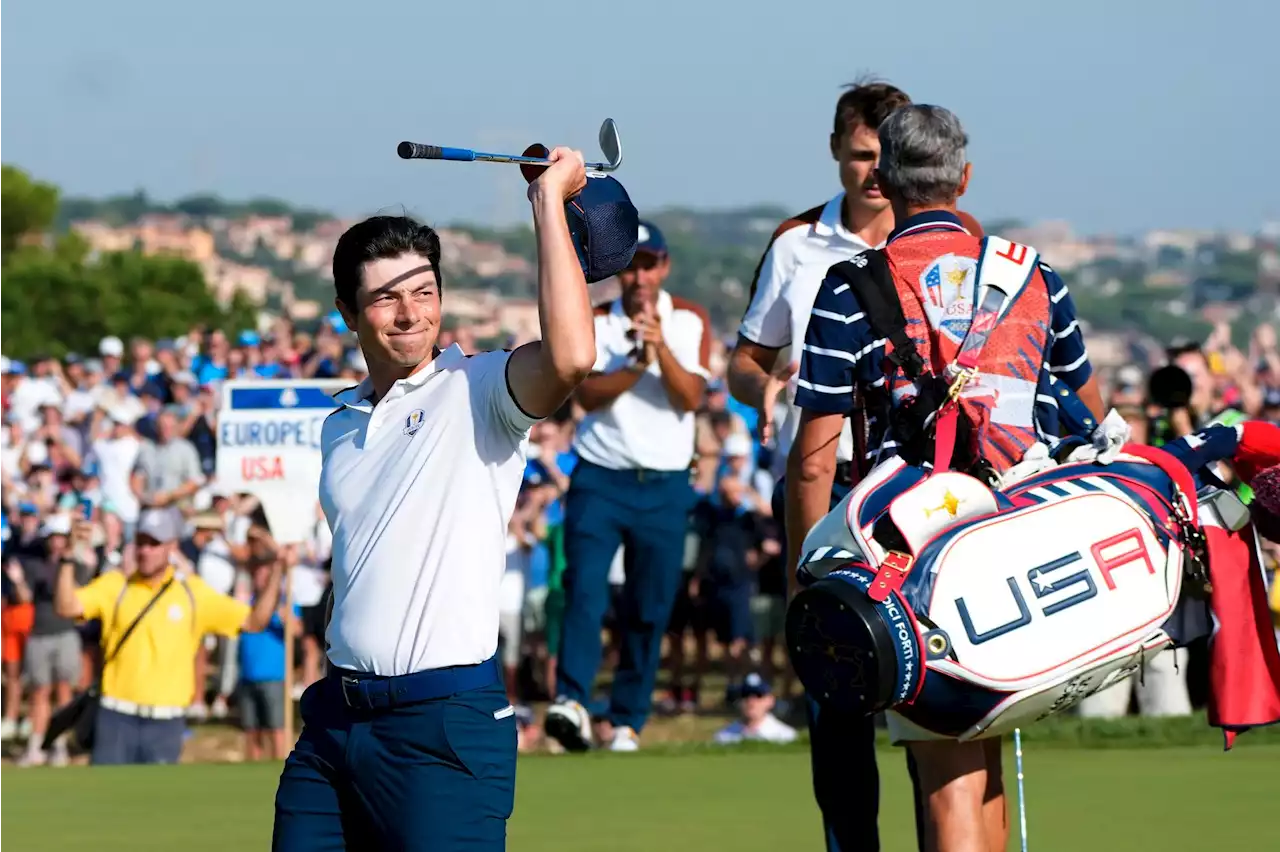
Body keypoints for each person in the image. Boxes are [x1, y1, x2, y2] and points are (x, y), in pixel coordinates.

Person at [271, 147, 608, 852]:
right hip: (335, 721)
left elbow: (572, 355)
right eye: (387, 297)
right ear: (347, 313)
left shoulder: (478, 389)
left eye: (423, 292)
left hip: (442, 722)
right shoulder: (339, 425)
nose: (409, 314)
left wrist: (548, 203)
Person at [791, 103, 1104, 852]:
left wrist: (810, 584)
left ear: (886, 183)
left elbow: (813, 459)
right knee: (983, 768)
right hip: (1025, 545)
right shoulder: (1037, 277)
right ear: (964, 178)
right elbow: (1090, 415)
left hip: (917, 557)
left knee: (952, 779)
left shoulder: (848, 287)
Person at [726, 79, 980, 852]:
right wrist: (766, 383)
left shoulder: (955, 239)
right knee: (836, 699)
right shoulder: (796, 244)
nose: (873, 174)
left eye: (886, 158)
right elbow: (746, 361)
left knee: (931, 687)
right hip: (822, 487)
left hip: (921, 495)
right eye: (862, 156)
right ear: (836, 149)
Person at [544, 221, 711, 753]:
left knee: (649, 605)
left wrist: (659, 352)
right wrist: (637, 364)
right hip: (601, 477)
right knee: (585, 592)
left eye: (649, 264)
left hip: (664, 484)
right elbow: (586, 398)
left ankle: (626, 721)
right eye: (631, 266)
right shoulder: (596, 320)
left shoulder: (689, 320)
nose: (639, 276)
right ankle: (571, 700)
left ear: (663, 267)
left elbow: (691, 398)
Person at [53, 507, 284, 765]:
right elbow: (67, 607)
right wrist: (67, 559)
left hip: (166, 723)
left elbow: (254, 621)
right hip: (115, 716)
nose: (145, 550)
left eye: (154, 543)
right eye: (141, 542)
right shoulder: (115, 586)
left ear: (171, 546)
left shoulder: (192, 594)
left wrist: (277, 570)